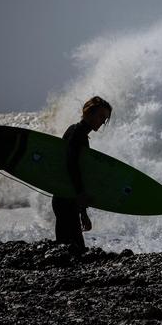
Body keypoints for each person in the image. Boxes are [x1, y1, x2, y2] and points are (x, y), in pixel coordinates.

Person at [52, 96, 112, 250]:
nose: (102, 121)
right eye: (100, 116)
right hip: (65, 199)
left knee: (70, 249)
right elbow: (71, 166)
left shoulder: (79, 133)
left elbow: (79, 171)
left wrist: (83, 212)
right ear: (88, 112)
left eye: (104, 119)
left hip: (68, 199)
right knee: (71, 250)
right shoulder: (76, 133)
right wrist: (80, 195)